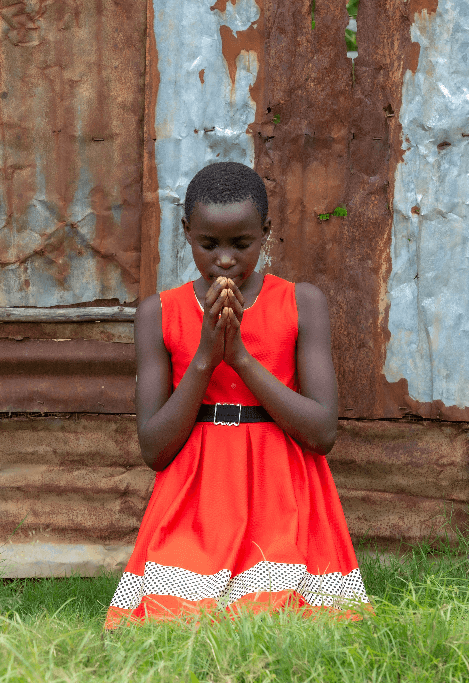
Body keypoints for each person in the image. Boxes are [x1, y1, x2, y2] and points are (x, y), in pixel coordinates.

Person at [105, 161, 369, 629]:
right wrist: (207, 356)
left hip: (280, 485)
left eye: (241, 244)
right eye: (209, 244)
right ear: (186, 232)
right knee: (172, 620)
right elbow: (153, 448)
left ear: (266, 232)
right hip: (197, 491)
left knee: (281, 617)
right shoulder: (158, 313)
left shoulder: (301, 302)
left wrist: (242, 357)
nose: (224, 259)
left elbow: (323, 432)